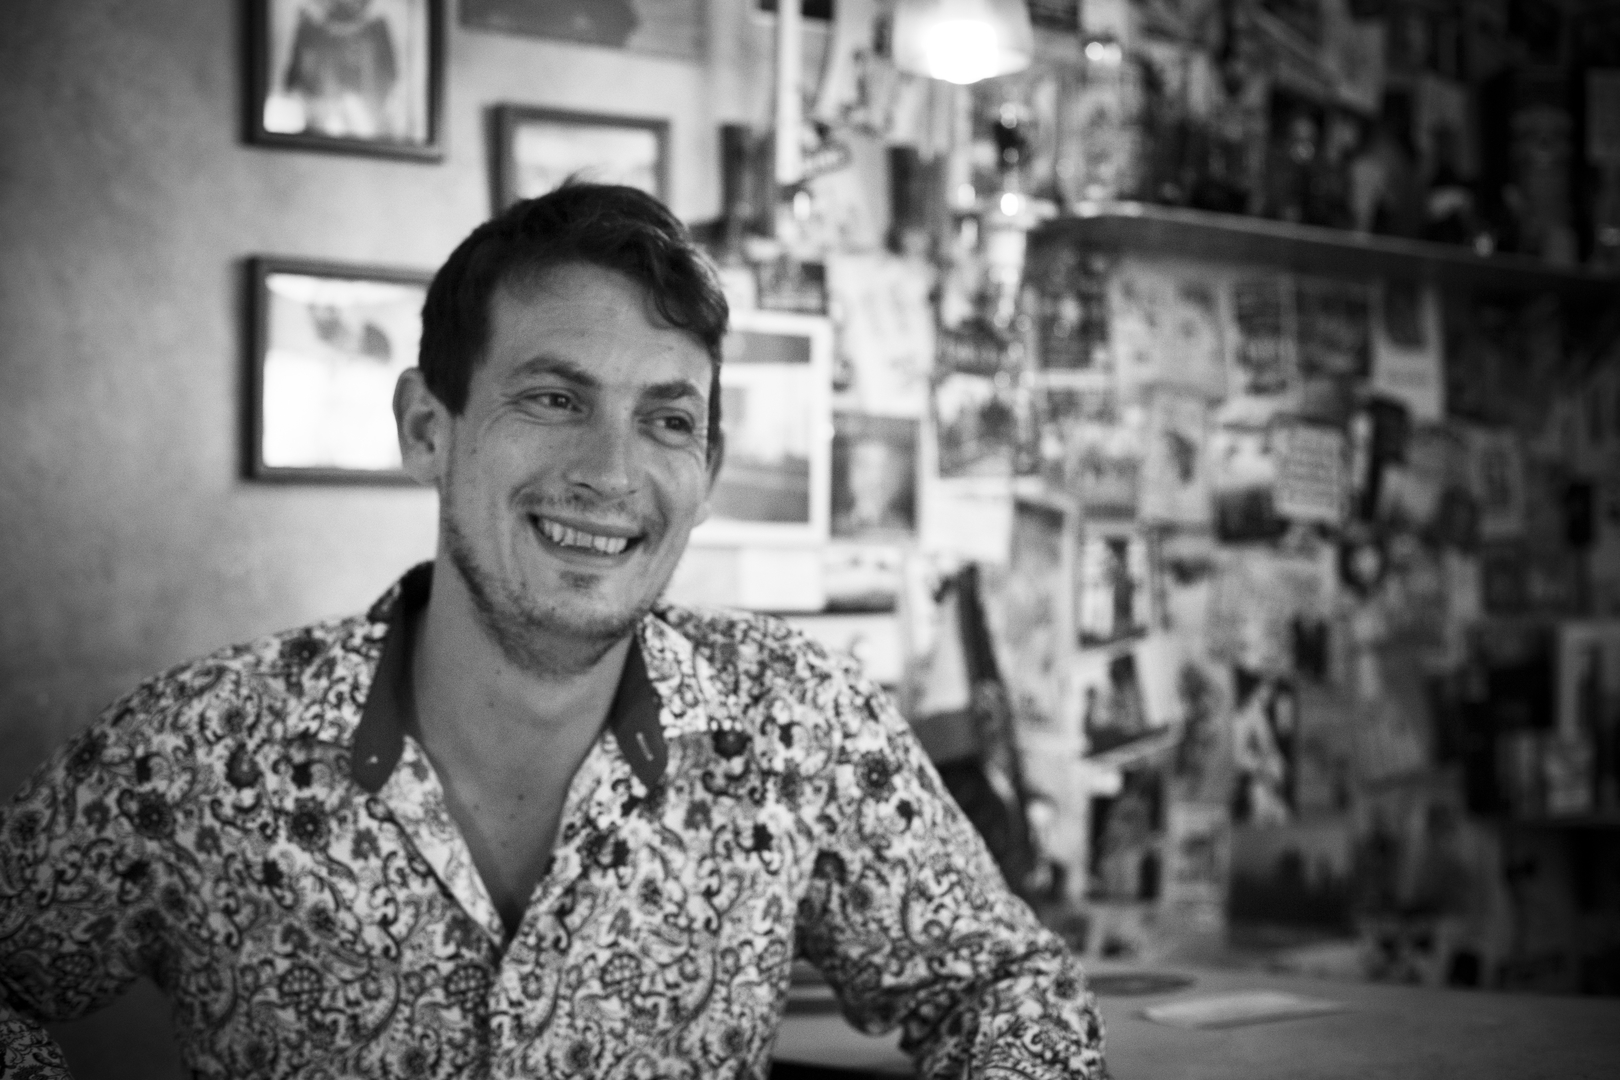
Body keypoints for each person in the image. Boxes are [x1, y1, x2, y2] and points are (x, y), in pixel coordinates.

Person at [0, 183, 1107, 1078]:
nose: (611, 473)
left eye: (666, 419)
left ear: (708, 470)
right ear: (427, 428)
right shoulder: (199, 749)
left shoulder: (801, 727)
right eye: (555, 399)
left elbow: (1007, 989)